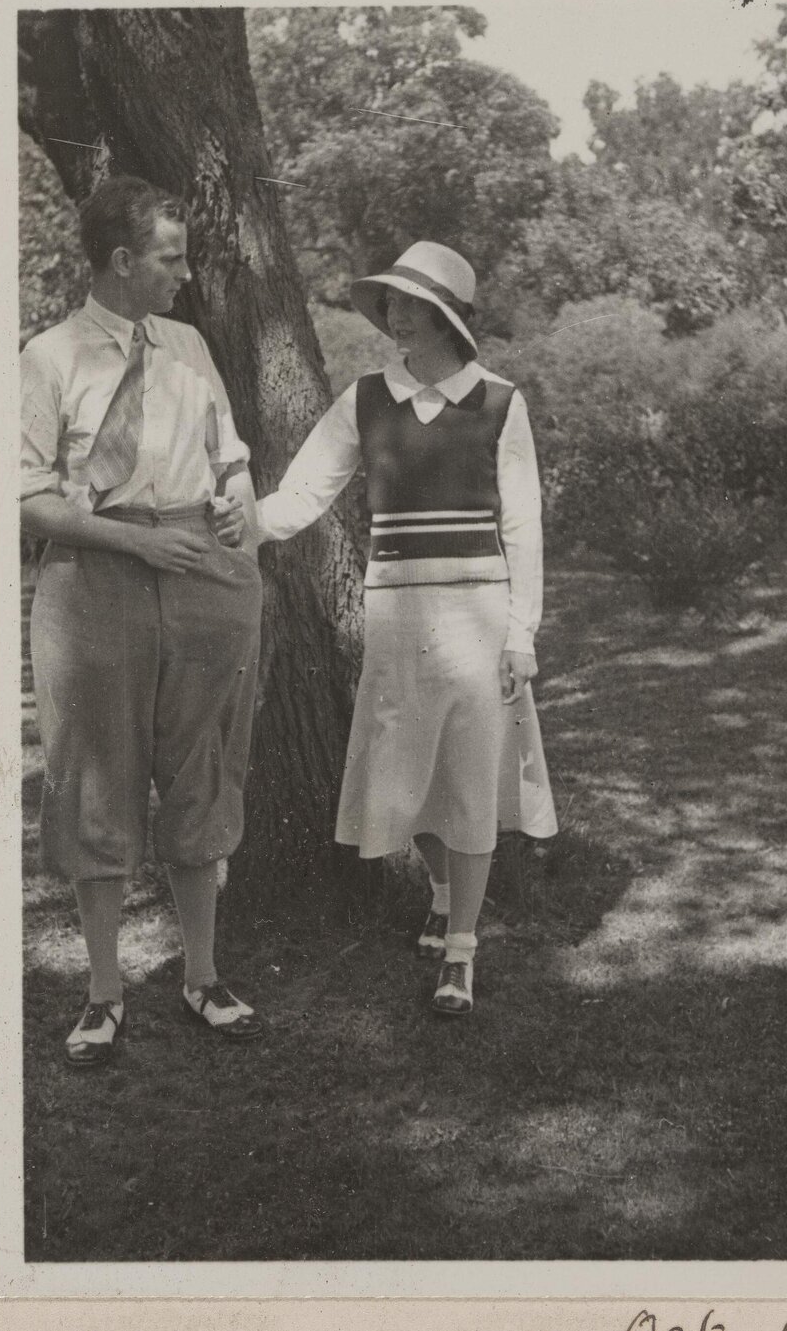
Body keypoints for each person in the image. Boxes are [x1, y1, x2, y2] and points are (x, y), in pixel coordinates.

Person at [257, 241, 558, 1016]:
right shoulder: (365, 398)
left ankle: (461, 952)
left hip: (479, 612)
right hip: (396, 612)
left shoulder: (499, 401)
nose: (392, 311)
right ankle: (437, 886)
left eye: (406, 300)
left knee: (467, 778)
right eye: (388, 298)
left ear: (442, 317)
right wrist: (239, 526)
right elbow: (303, 492)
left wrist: (522, 631)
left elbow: (522, 525)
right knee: (403, 775)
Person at [20, 174, 265, 1066]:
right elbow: (27, 501)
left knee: (203, 771)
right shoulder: (46, 359)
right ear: (122, 261)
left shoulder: (190, 346)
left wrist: (241, 507)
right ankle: (103, 992)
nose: (185, 273)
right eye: (170, 258)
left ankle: (202, 975)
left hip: (202, 570)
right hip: (96, 581)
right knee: (94, 779)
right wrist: (136, 549)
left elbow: (229, 458)